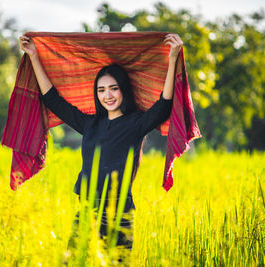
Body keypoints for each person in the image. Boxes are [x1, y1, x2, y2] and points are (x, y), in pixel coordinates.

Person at [19, 33, 183, 251]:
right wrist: (34, 57)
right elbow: (53, 101)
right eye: (101, 90)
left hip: (119, 214)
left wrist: (172, 59)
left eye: (113, 88)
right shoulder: (89, 124)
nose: (108, 95)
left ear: (124, 89)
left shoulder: (135, 124)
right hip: (87, 209)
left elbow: (164, 105)